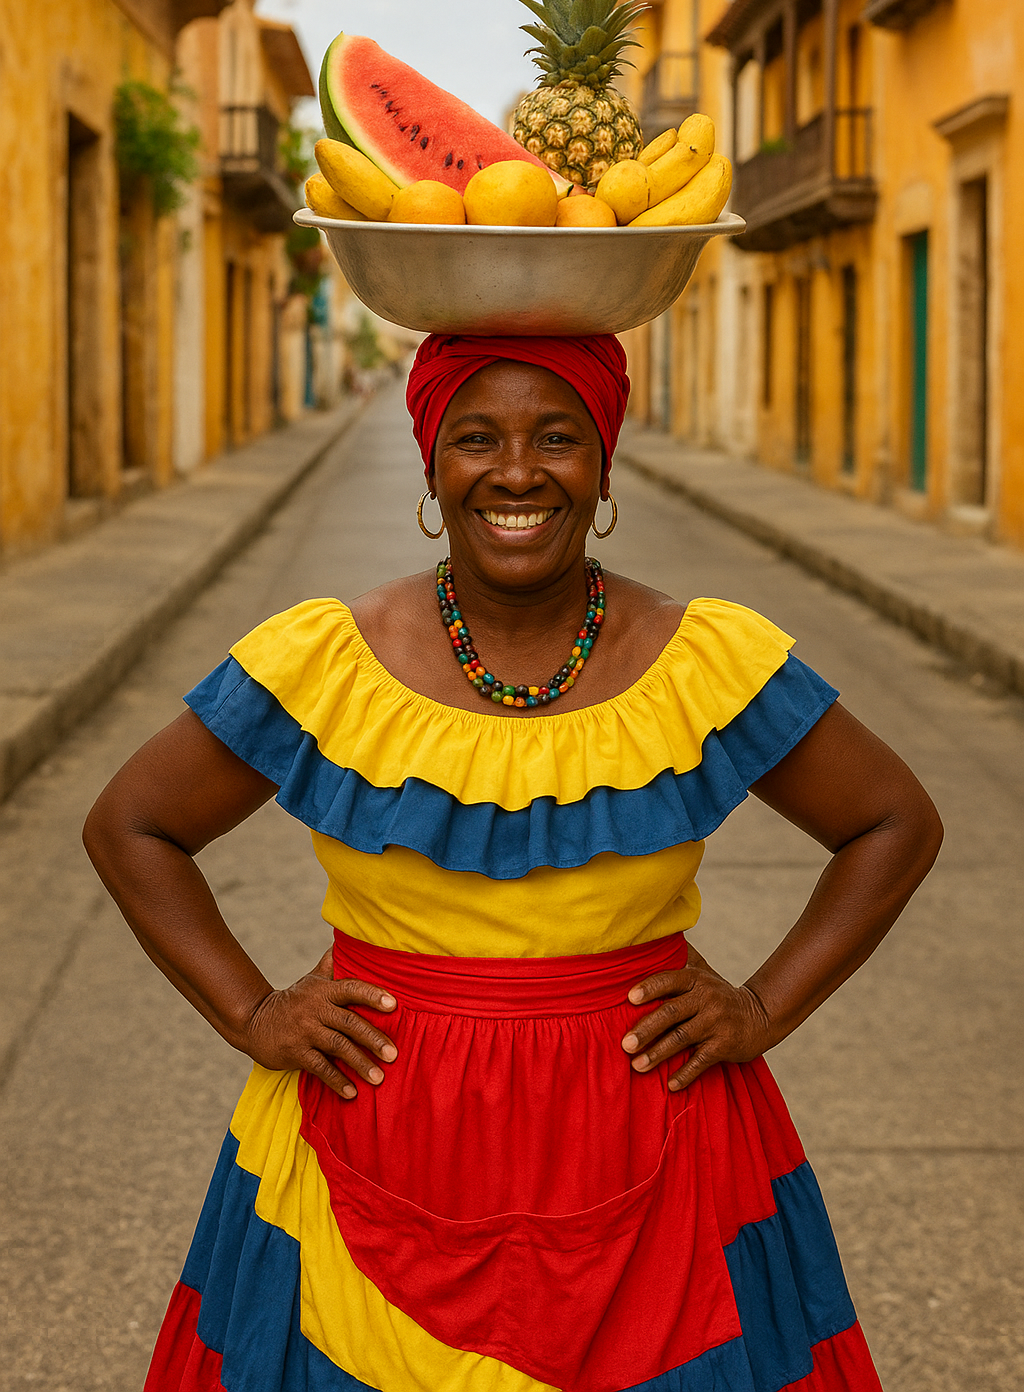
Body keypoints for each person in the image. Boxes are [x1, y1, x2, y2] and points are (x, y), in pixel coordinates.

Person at [84, 332, 942, 1392]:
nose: (519, 472)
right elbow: (132, 824)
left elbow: (892, 821)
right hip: (377, 1122)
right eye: (477, 438)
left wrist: (762, 1007)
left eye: (558, 438)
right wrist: (252, 1013)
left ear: (604, 465)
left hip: (651, 1129)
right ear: (433, 466)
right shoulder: (328, 658)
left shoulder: (700, 658)